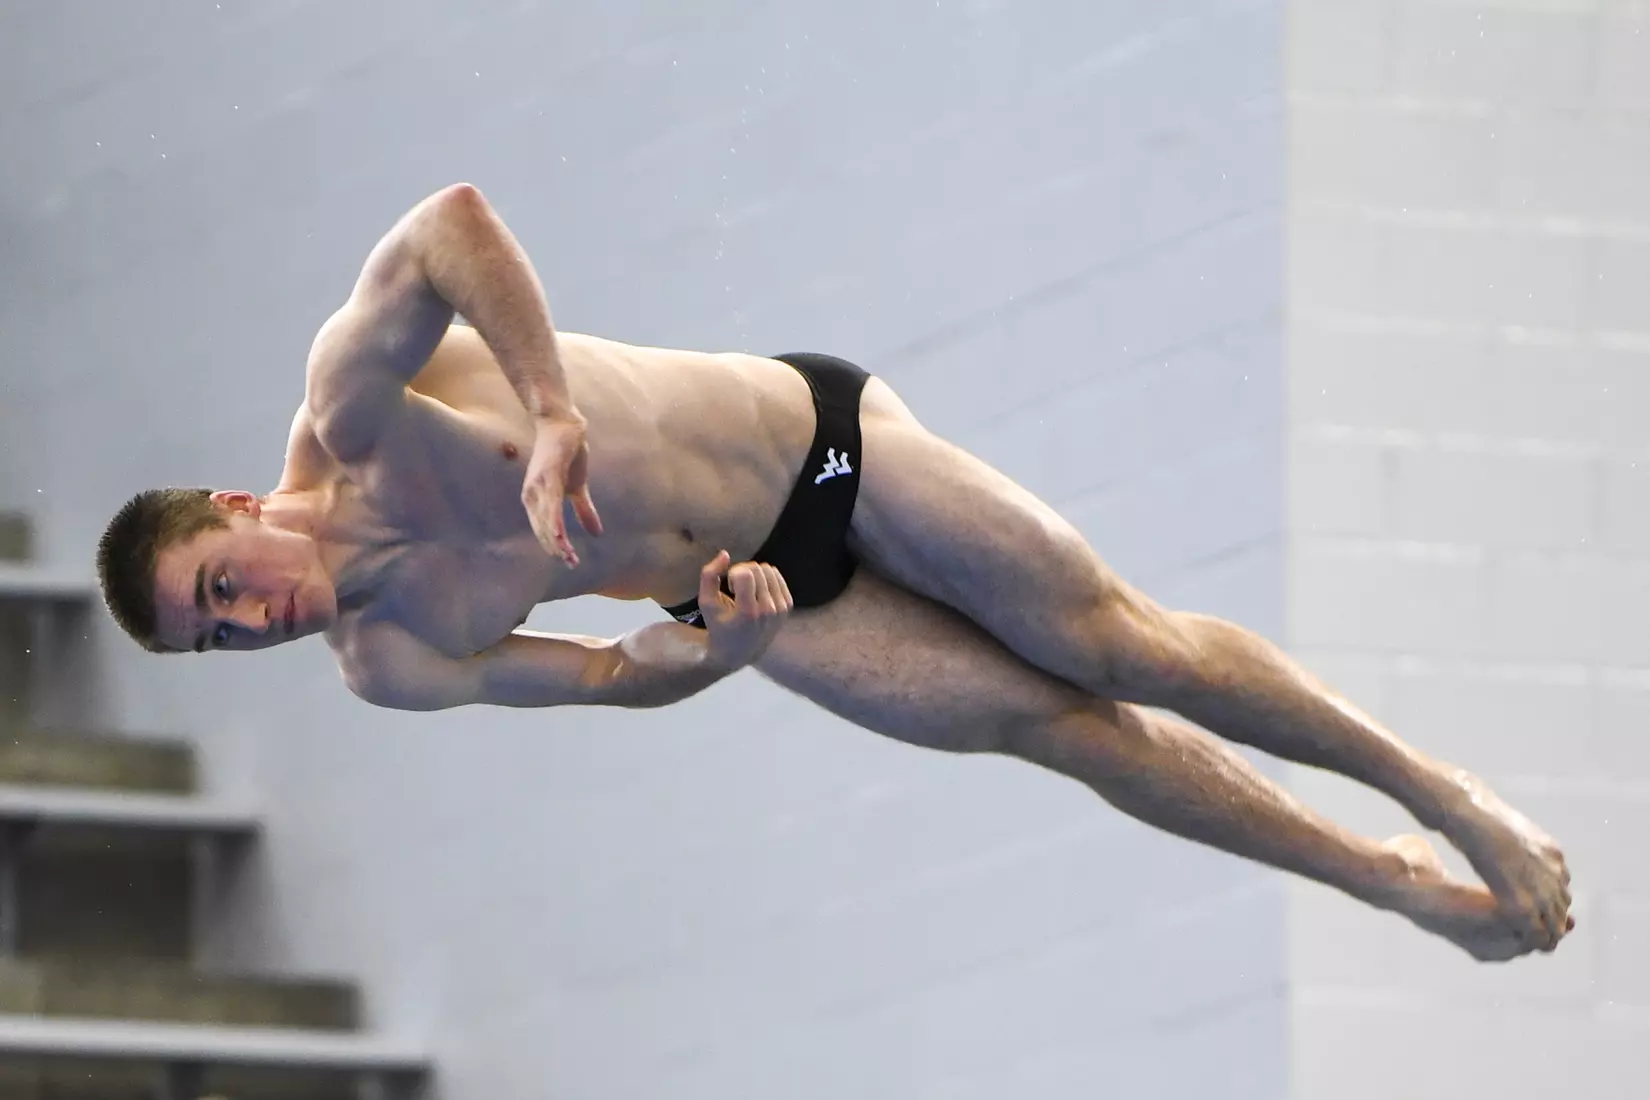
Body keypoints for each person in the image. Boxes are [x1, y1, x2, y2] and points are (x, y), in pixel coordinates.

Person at [96, 183, 1572, 963]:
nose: (254, 620)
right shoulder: (393, 657)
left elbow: (448, 226)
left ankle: (1439, 794)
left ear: (239, 506)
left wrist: (548, 410)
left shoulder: (349, 408)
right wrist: (722, 650)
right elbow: (612, 678)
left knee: (1121, 648)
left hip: (818, 442)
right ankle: (1394, 890)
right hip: (759, 595)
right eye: (220, 642)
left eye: (224, 584)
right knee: (1060, 733)